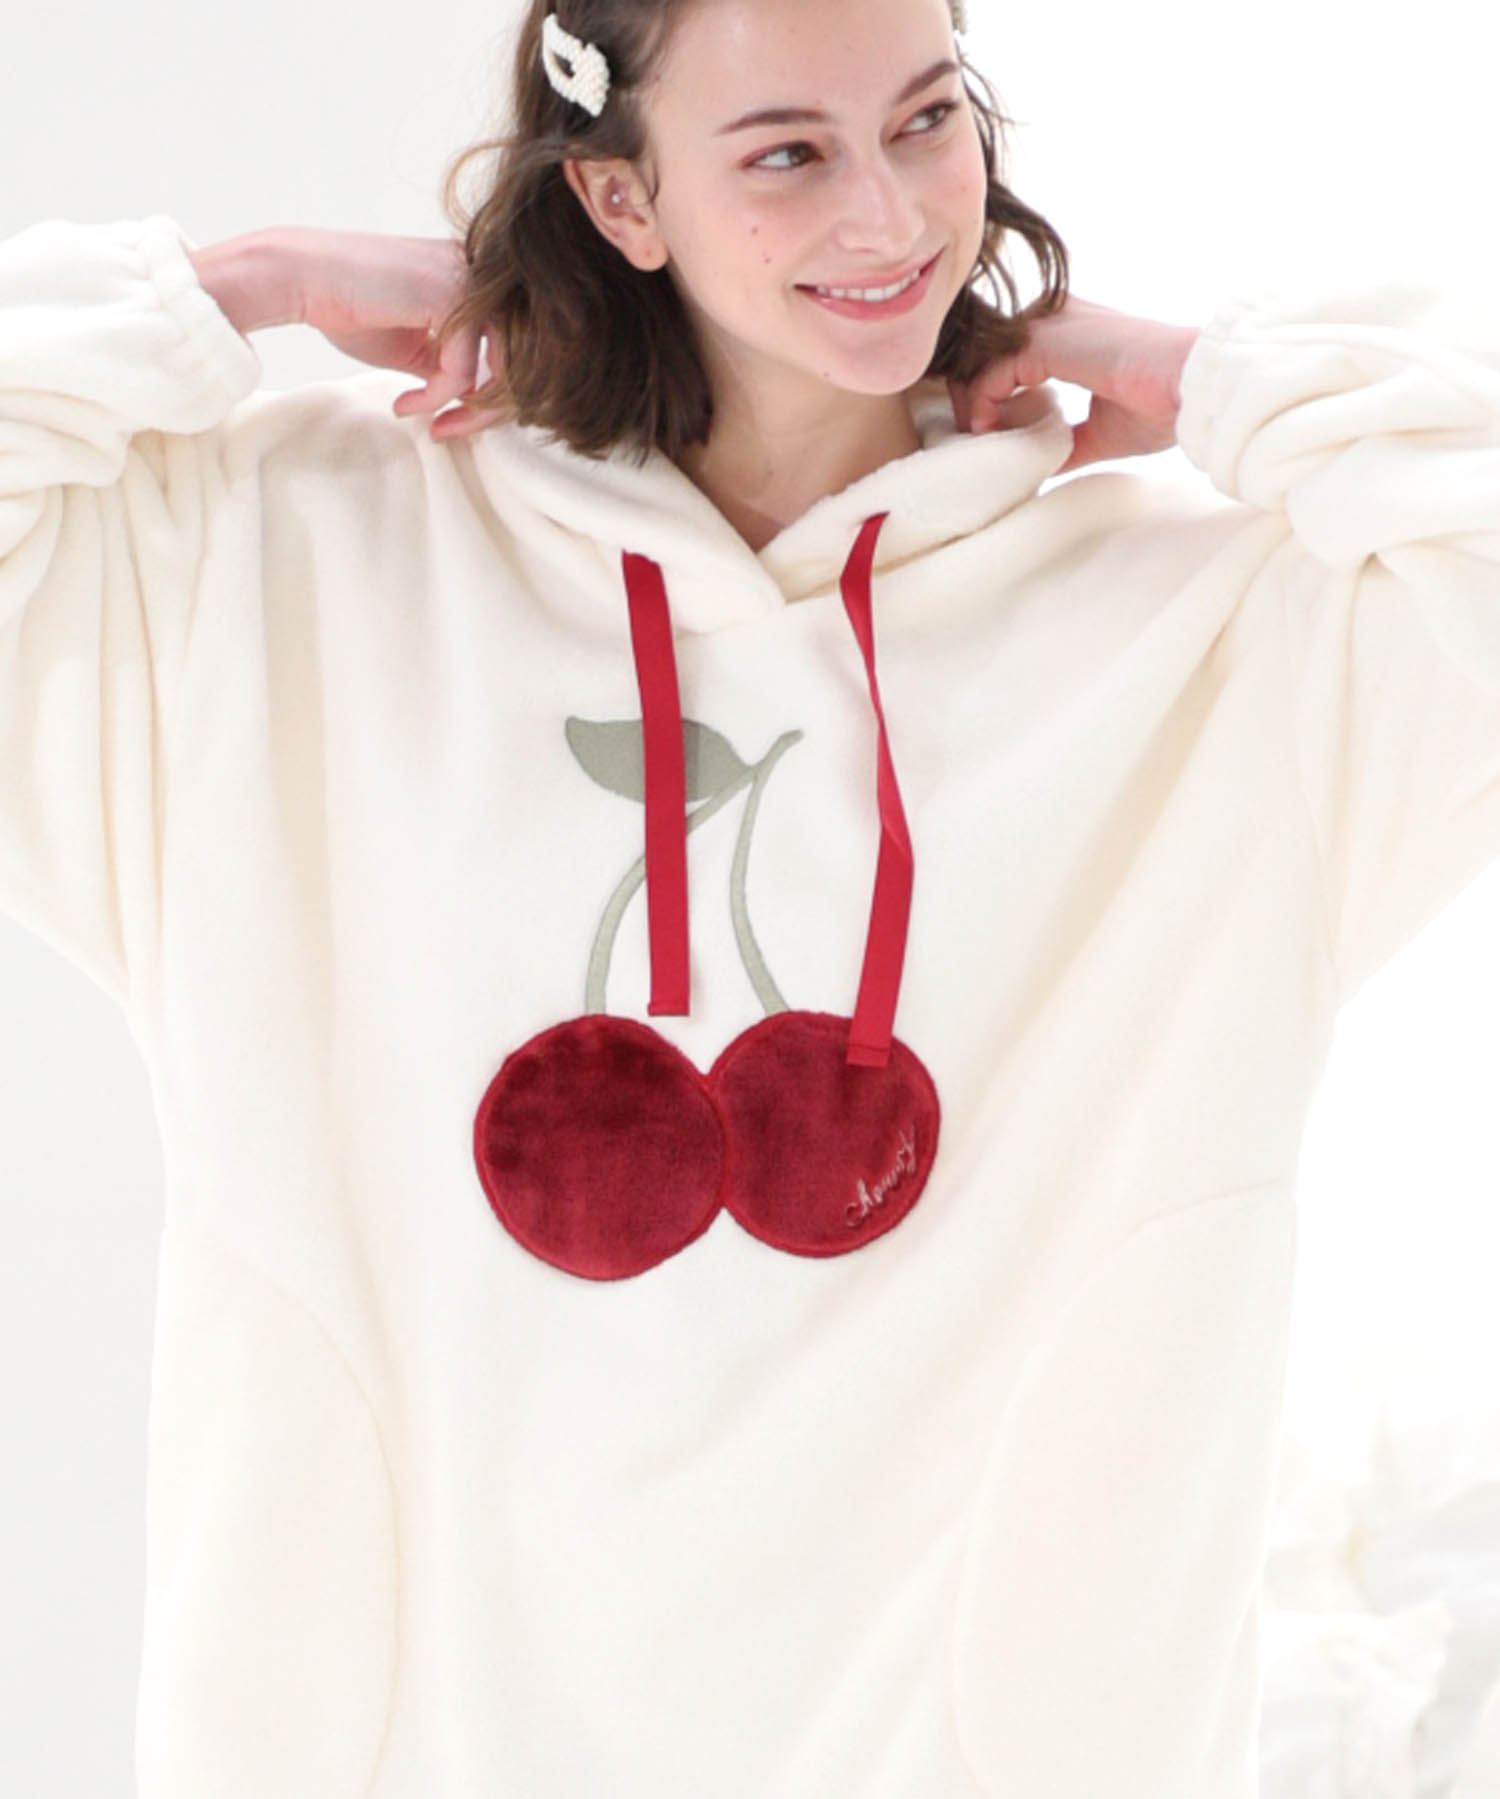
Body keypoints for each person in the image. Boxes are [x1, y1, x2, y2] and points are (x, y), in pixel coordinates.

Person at [1, 0, 1497, 1792]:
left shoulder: (1209, 634)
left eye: (928, 119)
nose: (890, 214)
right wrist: (244, 285)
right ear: (621, 198)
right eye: (789, 151)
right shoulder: (283, 566)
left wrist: (1200, 373)